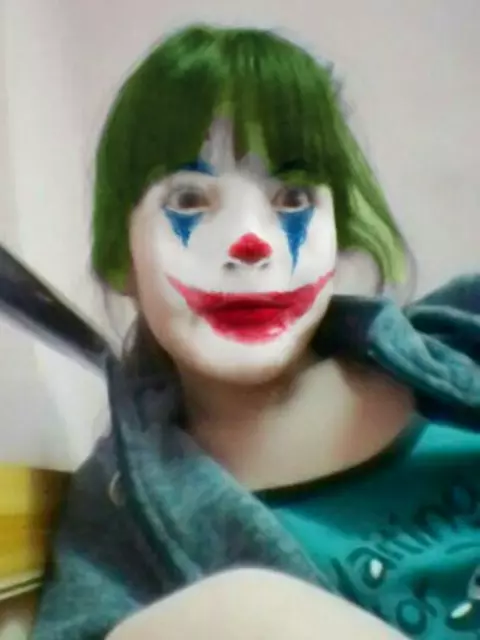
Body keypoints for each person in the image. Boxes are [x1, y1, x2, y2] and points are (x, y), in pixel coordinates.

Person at [31, 24, 480, 639]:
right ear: (120, 259)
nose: (252, 244)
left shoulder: (462, 337)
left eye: (292, 198)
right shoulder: (120, 507)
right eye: (189, 200)